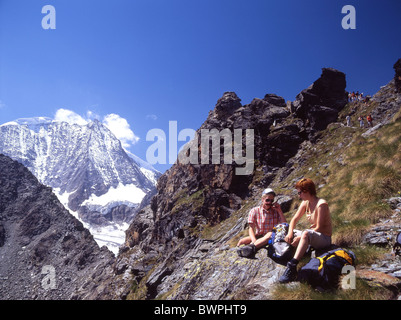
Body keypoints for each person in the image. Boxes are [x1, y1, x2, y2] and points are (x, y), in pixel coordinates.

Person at [279, 178, 332, 283]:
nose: (299, 196)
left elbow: (320, 227)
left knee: (305, 233)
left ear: (307, 191)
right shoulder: (306, 202)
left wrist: (300, 237)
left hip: (324, 238)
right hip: (313, 235)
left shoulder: (321, 204)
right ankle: (286, 252)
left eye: (299, 192)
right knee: (286, 229)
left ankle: (292, 266)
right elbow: (294, 219)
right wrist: (290, 233)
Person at [237, 188, 286, 256]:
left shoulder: (276, 211)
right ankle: (243, 251)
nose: (269, 203)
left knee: (269, 234)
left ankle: (250, 248)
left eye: (271, 200)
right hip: (259, 236)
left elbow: (284, 224)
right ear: (262, 199)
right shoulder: (254, 211)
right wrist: (254, 240)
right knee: (242, 241)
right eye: (267, 200)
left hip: (272, 237)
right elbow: (251, 228)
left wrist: (279, 210)